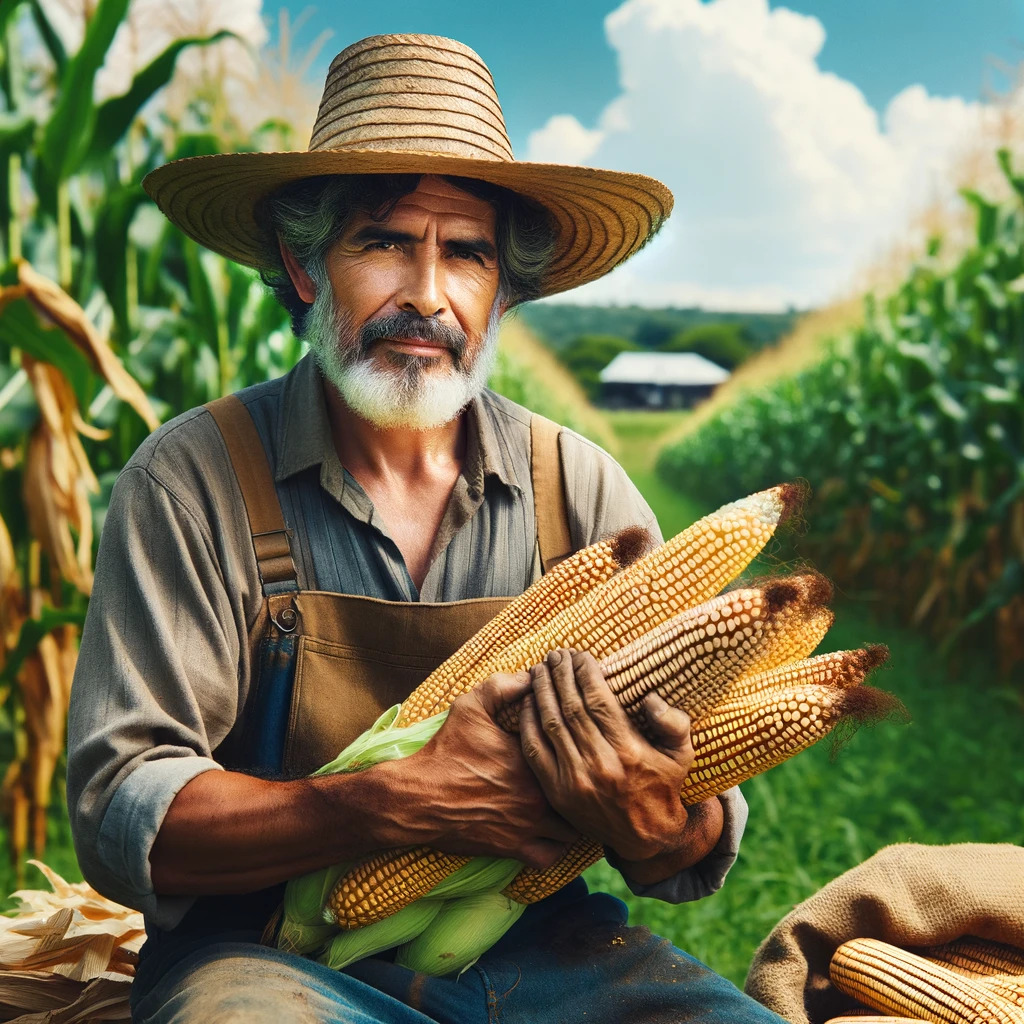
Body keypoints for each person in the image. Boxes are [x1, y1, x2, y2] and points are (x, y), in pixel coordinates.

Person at [66, 33, 784, 1024]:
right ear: (305, 263)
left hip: (554, 952)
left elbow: (694, 822)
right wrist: (389, 797)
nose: (427, 295)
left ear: (503, 288)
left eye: (468, 253)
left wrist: (667, 821)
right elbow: (121, 812)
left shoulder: (578, 488)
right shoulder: (196, 480)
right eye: (384, 242)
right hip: (266, 956)